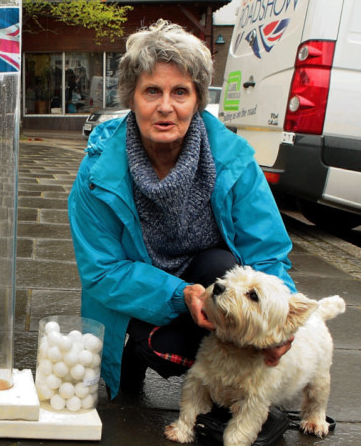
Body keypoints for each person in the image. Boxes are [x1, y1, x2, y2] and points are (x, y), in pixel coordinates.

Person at [67, 20, 295, 400]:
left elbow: (267, 252)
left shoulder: (232, 162)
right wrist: (180, 295)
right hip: (139, 292)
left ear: (197, 100)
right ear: (131, 97)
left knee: (224, 266)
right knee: (158, 348)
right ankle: (136, 354)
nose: (165, 107)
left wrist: (281, 323)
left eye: (181, 92)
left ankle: (236, 396)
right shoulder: (97, 172)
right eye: (152, 91)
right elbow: (102, 270)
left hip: (211, 287)